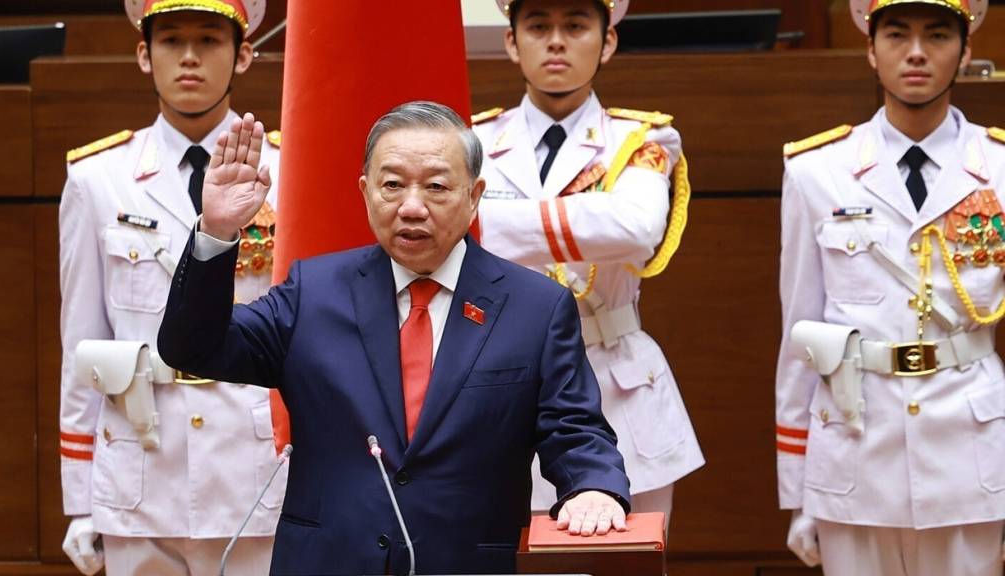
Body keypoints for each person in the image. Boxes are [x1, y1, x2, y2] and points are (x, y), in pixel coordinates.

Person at [156, 101, 631, 575]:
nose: (411, 206)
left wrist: (593, 487)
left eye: (437, 186)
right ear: (365, 192)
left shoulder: (536, 308)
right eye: (392, 185)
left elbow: (574, 428)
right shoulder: (314, 292)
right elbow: (194, 349)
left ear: (474, 194)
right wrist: (216, 232)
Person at [776, 1, 1005, 574]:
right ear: (870, 50)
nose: (917, 52)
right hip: (854, 453)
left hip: (972, 455)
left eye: (937, 35)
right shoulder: (817, 170)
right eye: (897, 34)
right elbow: (801, 338)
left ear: (966, 50)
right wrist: (800, 492)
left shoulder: (999, 167)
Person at [58, 1, 284, 574]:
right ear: (143, 54)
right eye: (170, 40)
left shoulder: (286, 169)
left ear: (244, 55)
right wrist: (80, 501)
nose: (189, 57)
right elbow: (81, 346)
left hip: (253, 467)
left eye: (209, 40)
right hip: (139, 463)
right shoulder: (96, 180)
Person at [470, 0, 704, 521]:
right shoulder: (471, 142)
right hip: (500, 377)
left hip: (616, 377)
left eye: (575, 26)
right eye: (537, 26)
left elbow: (636, 228)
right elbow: (450, 236)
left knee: (626, 561)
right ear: (511, 41)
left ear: (608, 42)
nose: (557, 40)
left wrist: (490, 220)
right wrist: (593, 218)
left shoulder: (642, 138)